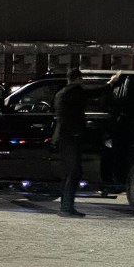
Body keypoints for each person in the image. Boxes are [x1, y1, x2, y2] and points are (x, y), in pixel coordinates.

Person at [52, 68, 89, 217]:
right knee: (74, 172)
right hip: (71, 136)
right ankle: (67, 207)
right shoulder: (75, 91)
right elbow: (93, 93)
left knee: (68, 172)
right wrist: (110, 84)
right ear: (78, 79)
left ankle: (66, 206)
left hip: (62, 136)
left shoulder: (60, 93)